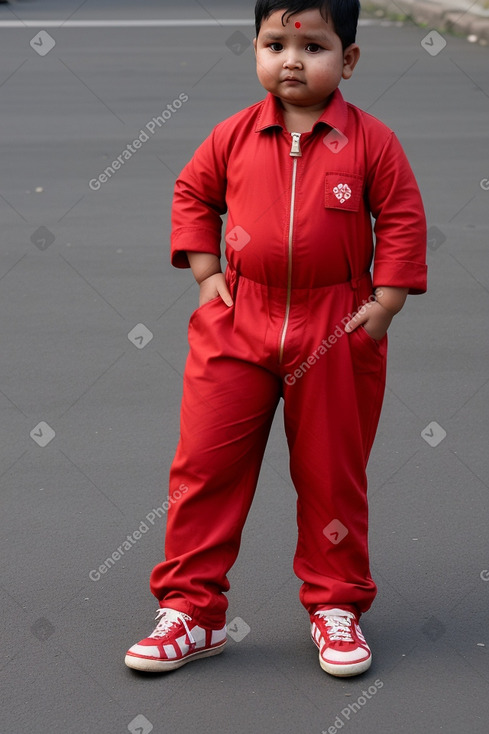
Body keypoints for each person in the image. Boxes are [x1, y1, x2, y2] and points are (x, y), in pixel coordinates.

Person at [125, 0, 427, 678]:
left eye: (313, 46)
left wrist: (386, 300)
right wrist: (206, 275)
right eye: (273, 44)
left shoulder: (371, 142)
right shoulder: (232, 135)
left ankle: (335, 606)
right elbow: (192, 195)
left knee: (330, 478)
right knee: (204, 471)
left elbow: (402, 215)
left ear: (347, 60)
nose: (291, 59)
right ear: (256, 51)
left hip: (335, 328)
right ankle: (191, 612)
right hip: (237, 323)